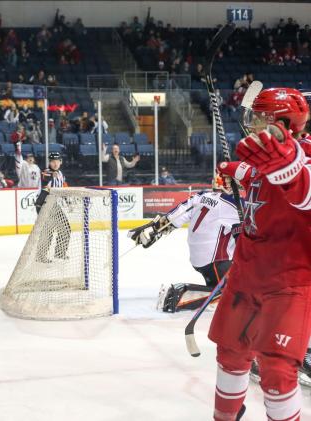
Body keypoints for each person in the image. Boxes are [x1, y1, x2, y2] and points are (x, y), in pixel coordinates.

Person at [208, 87, 311, 420]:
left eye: (258, 118)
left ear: (281, 122)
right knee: (230, 356)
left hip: (289, 283)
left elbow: (304, 192)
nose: (251, 125)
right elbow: (253, 172)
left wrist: (291, 171)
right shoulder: (260, 156)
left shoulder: (305, 156)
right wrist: (230, 168)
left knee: (278, 374)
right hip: (246, 276)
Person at [128, 176, 241, 312]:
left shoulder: (201, 196)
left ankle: (208, 291)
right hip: (217, 261)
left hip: (199, 260)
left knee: (219, 287)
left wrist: (154, 229)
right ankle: (179, 296)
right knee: (237, 295)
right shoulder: (235, 206)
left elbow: (173, 219)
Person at [34, 152, 69, 263]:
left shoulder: (61, 174)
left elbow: (64, 186)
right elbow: (45, 175)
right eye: (52, 161)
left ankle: (59, 252)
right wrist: (50, 174)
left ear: (61, 162)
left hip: (54, 204)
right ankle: (41, 255)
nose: (55, 163)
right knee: (47, 230)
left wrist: (68, 200)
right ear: (49, 162)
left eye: (57, 161)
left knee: (66, 228)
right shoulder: (46, 171)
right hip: (43, 203)